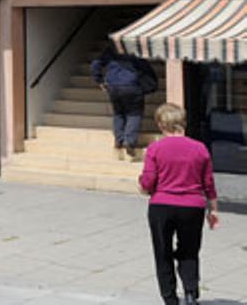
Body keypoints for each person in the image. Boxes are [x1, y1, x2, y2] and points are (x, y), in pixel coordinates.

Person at [139, 103, 218, 305]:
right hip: (192, 206)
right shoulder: (200, 148)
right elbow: (208, 182)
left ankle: (170, 299)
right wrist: (213, 210)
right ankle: (191, 293)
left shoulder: (155, 148)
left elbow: (148, 182)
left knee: (162, 251)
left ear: (160, 124)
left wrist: (142, 185)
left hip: (162, 205)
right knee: (189, 251)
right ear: (182, 122)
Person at [91, 44, 157, 159]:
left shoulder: (111, 50)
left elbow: (95, 64)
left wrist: (100, 80)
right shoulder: (136, 49)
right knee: (134, 114)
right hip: (132, 86)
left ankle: (119, 139)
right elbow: (145, 68)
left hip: (113, 86)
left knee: (118, 113)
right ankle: (129, 141)